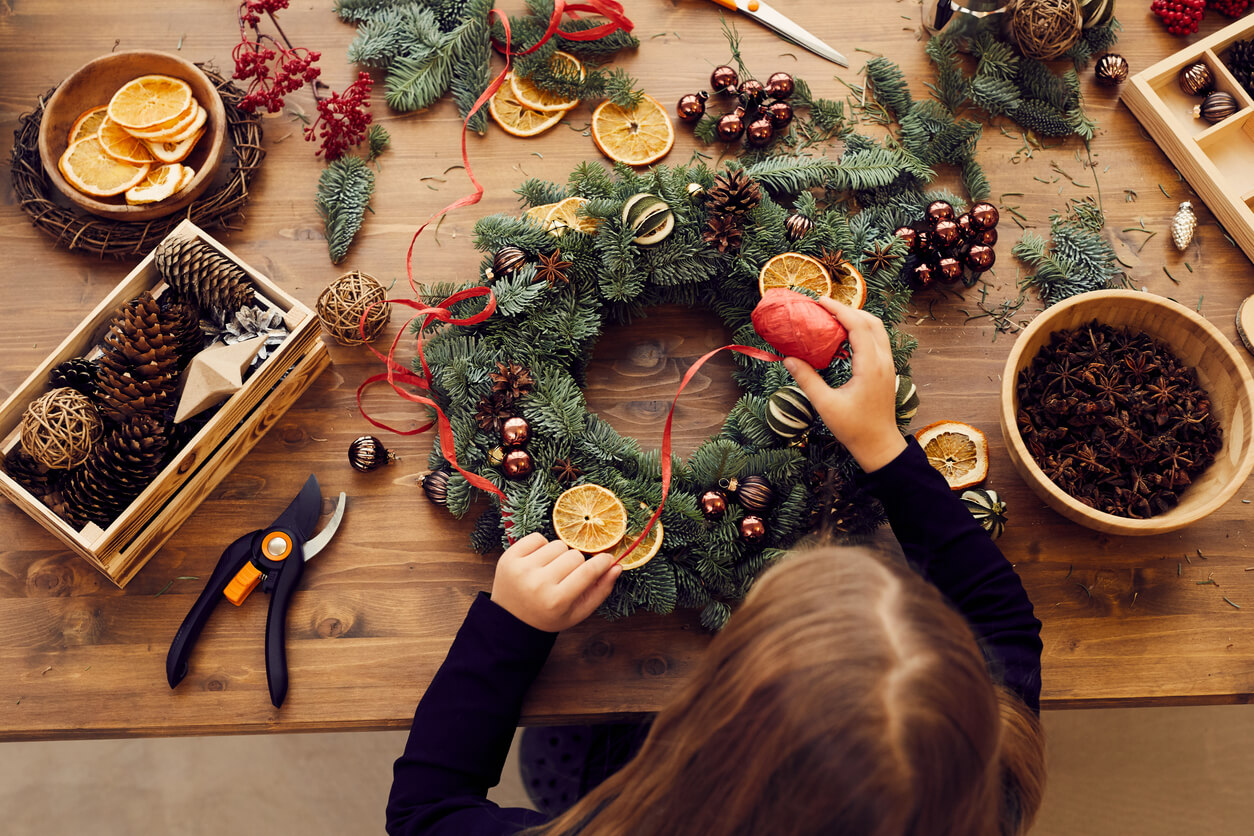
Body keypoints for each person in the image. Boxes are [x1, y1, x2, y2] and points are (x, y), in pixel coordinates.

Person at [386, 298, 1045, 836]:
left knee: (566, 755)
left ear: (715, 732)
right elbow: (1003, 620)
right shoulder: (992, 779)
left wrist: (510, 629)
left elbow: (426, 812)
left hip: (618, 790)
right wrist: (882, 446)